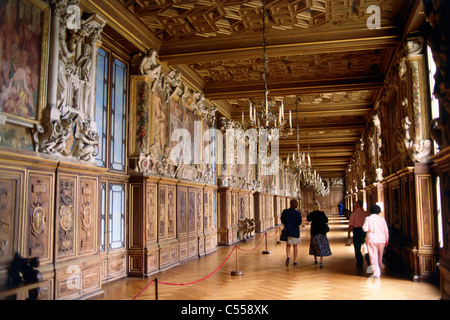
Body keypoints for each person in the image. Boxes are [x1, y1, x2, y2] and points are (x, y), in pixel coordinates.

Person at [363, 204, 389, 278]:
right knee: (380, 257)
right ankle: (379, 271)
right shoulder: (382, 219)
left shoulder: (368, 219)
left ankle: (375, 273)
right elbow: (386, 230)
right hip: (381, 239)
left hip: (372, 239)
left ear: (370, 211)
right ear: (379, 211)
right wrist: (387, 239)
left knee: (373, 256)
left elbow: (365, 229)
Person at [347, 200, 370, 270]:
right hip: (365, 231)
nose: (354, 206)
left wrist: (349, 233)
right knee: (367, 248)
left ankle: (359, 263)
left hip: (357, 231)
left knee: (357, 248)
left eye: (355, 204)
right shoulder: (367, 213)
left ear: (357, 205)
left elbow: (351, 225)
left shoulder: (353, 214)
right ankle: (369, 261)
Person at [307, 202, 332, 267]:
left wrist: (308, 214)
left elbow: (308, 220)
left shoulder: (312, 214)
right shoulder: (322, 213)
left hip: (314, 232)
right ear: (319, 207)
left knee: (314, 246)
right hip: (321, 232)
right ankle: (321, 261)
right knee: (321, 247)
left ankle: (315, 260)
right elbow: (326, 220)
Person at [280, 199, 302, 266]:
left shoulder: (285, 211)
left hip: (288, 230)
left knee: (288, 245)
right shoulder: (297, 213)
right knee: (295, 246)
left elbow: (282, 219)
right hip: (295, 231)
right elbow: (299, 222)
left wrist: (287, 224)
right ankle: (295, 261)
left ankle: (288, 256)